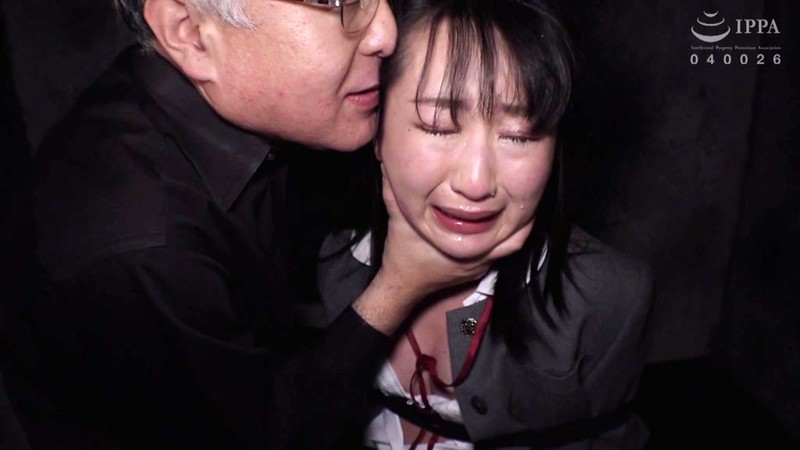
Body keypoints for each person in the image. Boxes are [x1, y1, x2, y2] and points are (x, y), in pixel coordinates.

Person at [1, 1, 529, 449]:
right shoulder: (144, 249)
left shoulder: (245, 109)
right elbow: (267, 431)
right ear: (191, 35)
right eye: (337, 1)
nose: (386, 32)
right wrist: (399, 288)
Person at [313, 0, 655, 448]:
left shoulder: (607, 297)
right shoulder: (336, 265)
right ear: (376, 132)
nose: (475, 183)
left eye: (519, 135)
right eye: (439, 126)